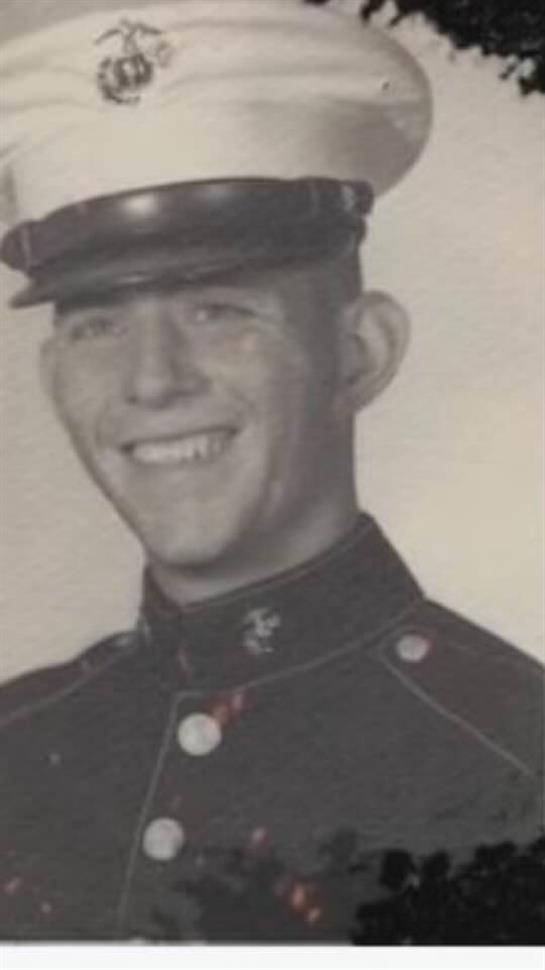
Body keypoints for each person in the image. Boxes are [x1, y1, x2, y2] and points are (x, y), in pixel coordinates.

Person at [0, 0, 542, 944]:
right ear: (53, 379)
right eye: (96, 324)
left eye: (219, 310)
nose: (152, 381)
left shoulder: (514, 772)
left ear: (359, 354)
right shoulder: (17, 745)